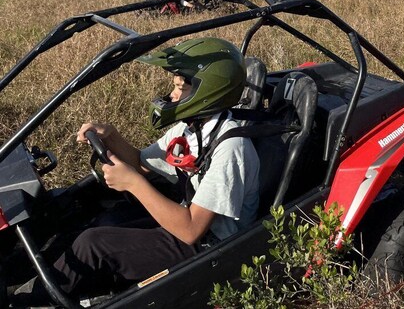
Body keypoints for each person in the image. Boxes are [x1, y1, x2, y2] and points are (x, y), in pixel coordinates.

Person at [48, 37, 261, 297]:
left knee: (93, 244)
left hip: (210, 247)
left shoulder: (232, 147)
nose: (172, 95)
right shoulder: (194, 127)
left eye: (180, 88)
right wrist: (110, 136)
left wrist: (133, 185)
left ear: (208, 91)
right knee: (99, 222)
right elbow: (142, 163)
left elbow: (191, 230)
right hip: (187, 222)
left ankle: (38, 301)